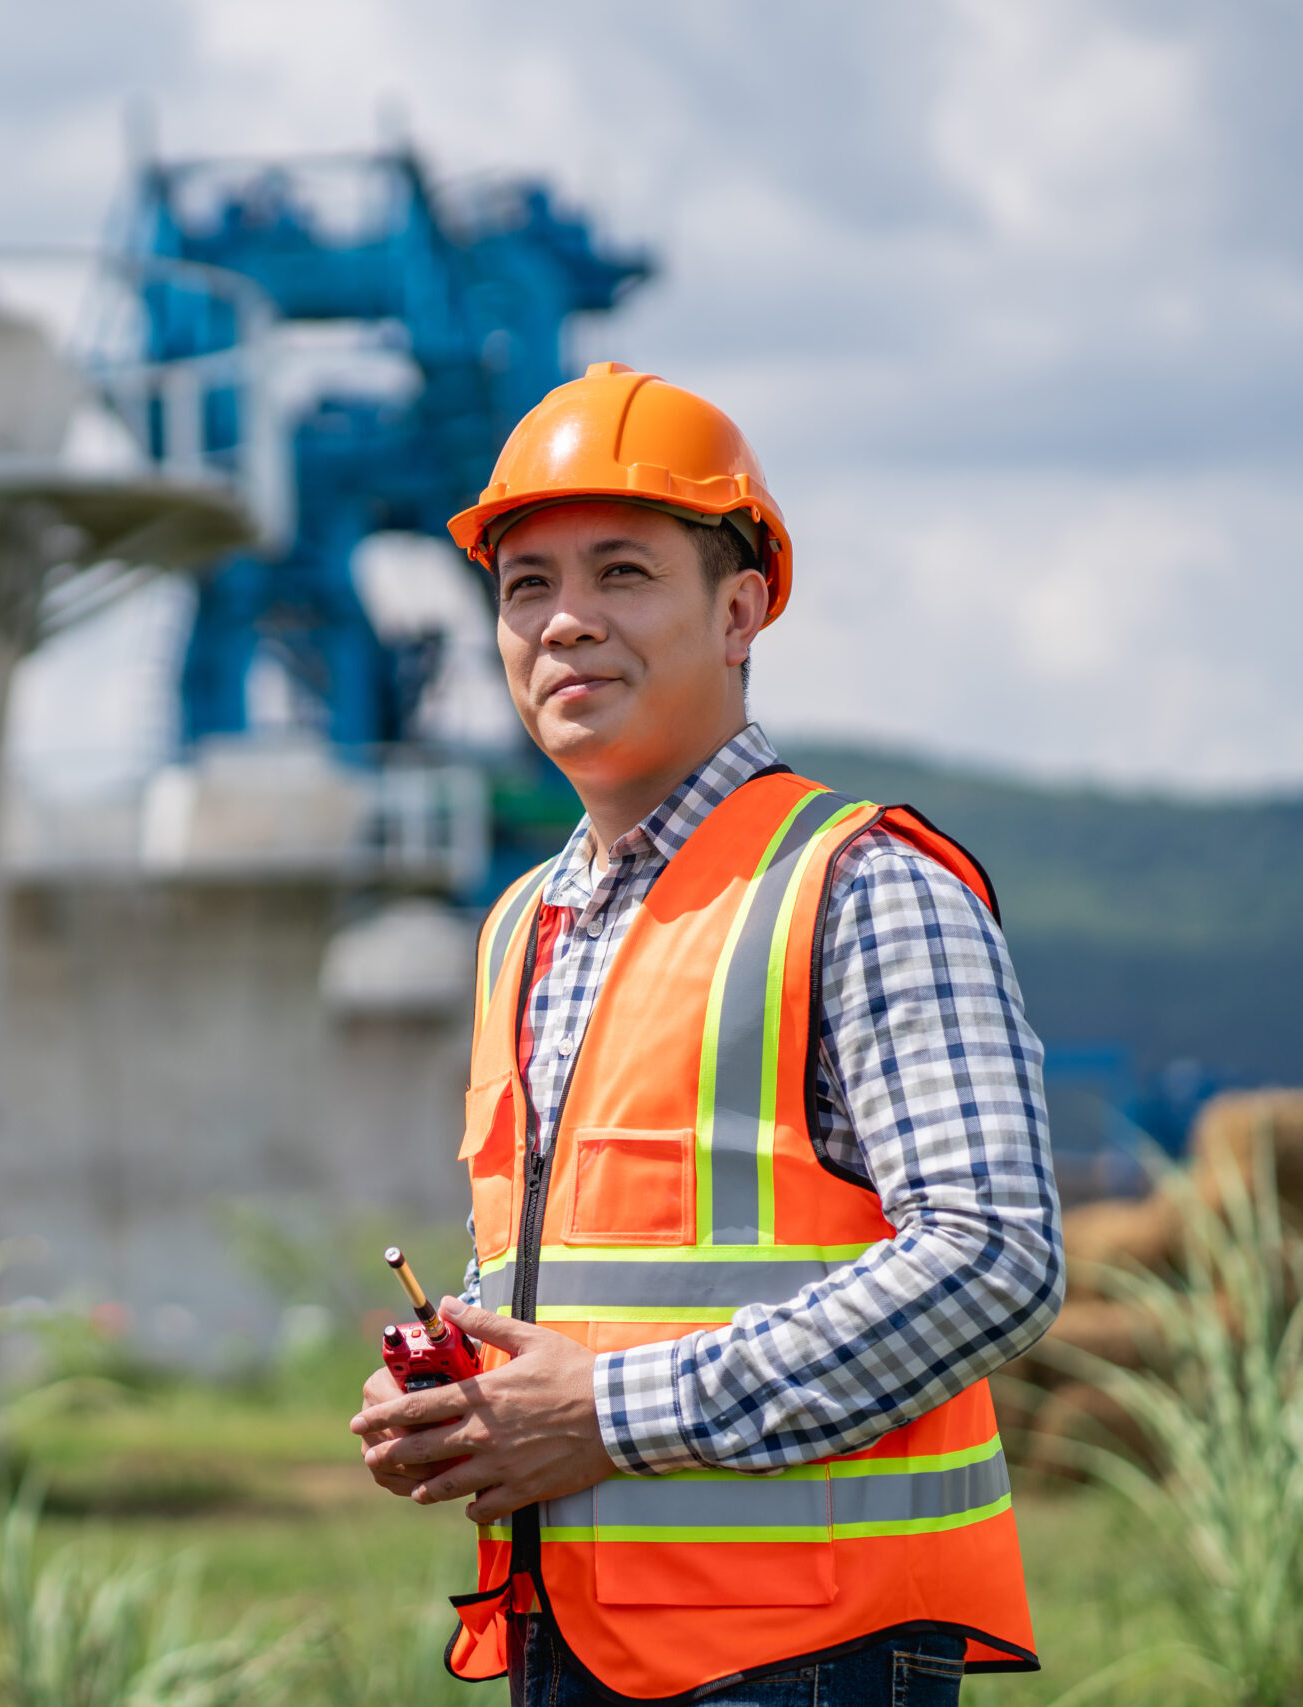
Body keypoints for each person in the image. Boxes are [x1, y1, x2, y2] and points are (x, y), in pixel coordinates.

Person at [351, 365, 1061, 1705]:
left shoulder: (861, 884)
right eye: (525, 585)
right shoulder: (521, 924)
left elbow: (994, 1256)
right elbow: (600, 1266)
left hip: (803, 1657)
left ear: (741, 609)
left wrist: (609, 1414)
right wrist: (465, 1401)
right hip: (567, 1635)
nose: (565, 622)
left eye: (623, 573)